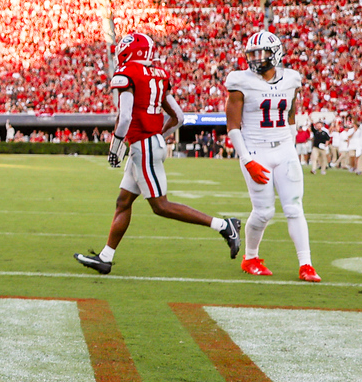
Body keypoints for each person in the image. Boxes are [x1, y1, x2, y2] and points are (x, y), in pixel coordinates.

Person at [74, 32, 242, 275]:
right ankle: (105, 257)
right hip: (148, 144)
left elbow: (126, 118)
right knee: (123, 202)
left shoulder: (127, 74)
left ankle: (224, 225)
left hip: (143, 146)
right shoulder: (159, 75)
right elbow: (179, 117)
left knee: (160, 206)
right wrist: (158, 136)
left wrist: (116, 146)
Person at [224, 29, 317, 281]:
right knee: (264, 212)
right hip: (256, 149)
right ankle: (250, 258)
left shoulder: (292, 79)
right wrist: (246, 159)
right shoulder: (239, 81)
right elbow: (233, 127)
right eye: (252, 53)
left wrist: (292, 147)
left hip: (284, 148)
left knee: (294, 208)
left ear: (275, 53)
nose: (256, 58)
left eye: (261, 52)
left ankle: (306, 264)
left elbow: (290, 114)